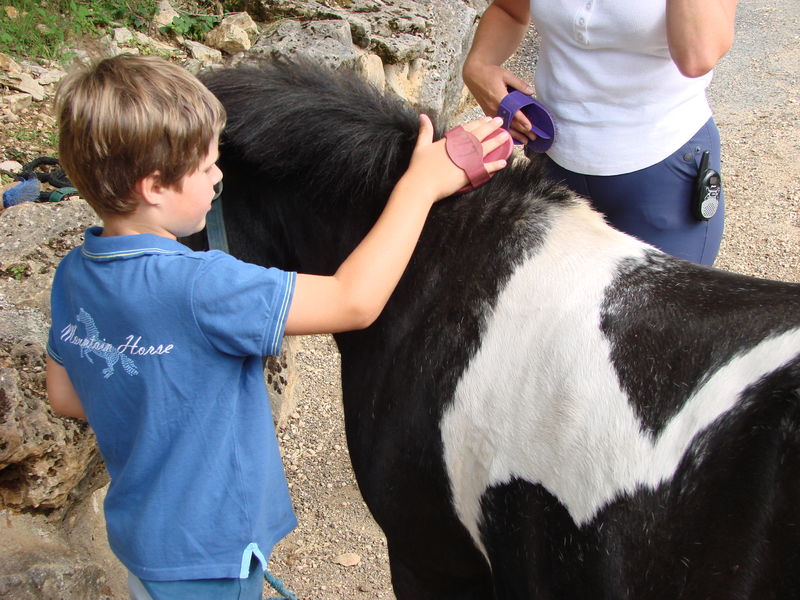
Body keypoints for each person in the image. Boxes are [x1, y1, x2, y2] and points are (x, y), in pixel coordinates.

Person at [45, 54, 509, 600]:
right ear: (153, 187)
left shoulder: (74, 272)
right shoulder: (203, 287)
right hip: (214, 558)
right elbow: (352, 301)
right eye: (207, 167)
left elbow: (65, 394)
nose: (220, 176)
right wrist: (420, 185)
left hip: (144, 542)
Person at [462, 0, 738, 265]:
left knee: (661, 312)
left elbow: (698, 56)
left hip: (662, 172)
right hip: (554, 168)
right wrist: (480, 65)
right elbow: (509, 10)